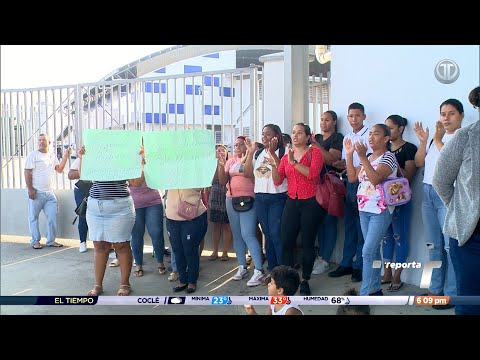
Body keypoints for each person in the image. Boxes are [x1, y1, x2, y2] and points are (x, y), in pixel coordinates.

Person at [432, 87, 480, 315]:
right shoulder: (466, 137)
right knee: (470, 301)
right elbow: (441, 181)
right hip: (471, 236)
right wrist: (464, 210)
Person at [414, 99, 463, 309]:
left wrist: (437, 138)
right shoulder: (436, 138)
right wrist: (426, 141)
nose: (446, 117)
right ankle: (435, 289)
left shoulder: (464, 137)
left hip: (448, 196)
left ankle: (451, 293)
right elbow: (418, 163)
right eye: (443, 113)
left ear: (461, 115)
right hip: (427, 193)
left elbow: (453, 163)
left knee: (449, 247)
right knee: (433, 246)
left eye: (451, 113)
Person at [270, 123, 325, 296]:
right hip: (291, 201)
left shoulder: (314, 152)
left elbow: (313, 174)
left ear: (308, 137)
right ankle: (287, 280)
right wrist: (273, 162)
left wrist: (294, 163)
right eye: (293, 132)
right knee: (286, 241)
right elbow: (278, 181)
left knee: (307, 243)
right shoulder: (286, 157)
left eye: (300, 133)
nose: (295, 136)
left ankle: (305, 280)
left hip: (310, 202)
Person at [84, 145, 145, 296]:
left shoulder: (124, 159)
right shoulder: (97, 158)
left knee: (122, 245)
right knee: (99, 246)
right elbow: (83, 176)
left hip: (120, 207)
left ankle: (125, 284)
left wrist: (139, 160)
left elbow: (136, 182)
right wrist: (83, 157)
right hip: (96, 206)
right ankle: (98, 285)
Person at [345, 124, 397, 296]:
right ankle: (374, 289)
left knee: (367, 251)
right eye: (371, 134)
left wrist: (362, 158)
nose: (371, 137)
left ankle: (365, 293)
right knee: (372, 251)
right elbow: (352, 178)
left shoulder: (388, 157)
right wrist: (349, 154)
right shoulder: (367, 156)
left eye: (376, 134)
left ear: (386, 138)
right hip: (364, 209)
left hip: (380, 210)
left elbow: (375, 179)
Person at [329, 103, 371, 282]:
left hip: (363, 184)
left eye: (357, 116)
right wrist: (343, 166)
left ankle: (359, 266)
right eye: (351, 116)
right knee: (349, 225)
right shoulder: (347, 136)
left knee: (362, 226)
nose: (354, 119)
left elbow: (369, 161)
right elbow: (348, 163)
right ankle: (346, 263)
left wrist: (353, 168)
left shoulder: (369, 135)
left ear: (364, 117)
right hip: (348, 183)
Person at [217, 136, 266, 287]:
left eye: (240, 144)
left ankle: (259, 270)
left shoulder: (256, 158)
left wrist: (249, 155)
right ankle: (242, 266)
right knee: (237, 235)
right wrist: (220, 165)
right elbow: (222, 181)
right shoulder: (231, 160)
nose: (237, 147)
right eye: (235, 145)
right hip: (231, 199)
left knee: (248, 234)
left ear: (247, 146)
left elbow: (249, 174)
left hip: (249, 199)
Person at [243, 124, 288, 283]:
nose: (264, 137)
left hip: (277, 197)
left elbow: (280, 177)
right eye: (263, 134)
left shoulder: (284, 152)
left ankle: (282, 272)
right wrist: (249, 152)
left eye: (268, 134)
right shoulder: (258, 153)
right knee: (267, 235)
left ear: (277, 136)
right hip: (261, 198)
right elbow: (249, 174)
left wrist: (273, 156)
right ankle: (273, 271)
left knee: (276, 235)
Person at [381, 115, 417, 291]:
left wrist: (393, 162)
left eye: (391, 128)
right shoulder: (384, 149)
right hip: (382, 201)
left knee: (399, 236)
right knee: (386, 237)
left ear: (401, 128)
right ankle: (386, 273)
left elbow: (409, 176)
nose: (388, 132)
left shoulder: (409, 148)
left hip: (400, 201)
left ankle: (398, 275)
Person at [310, 110, 344, 274]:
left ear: (334, 122)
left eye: (327, 120)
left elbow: (331, 159)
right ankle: (319, 256)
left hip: (329, 185)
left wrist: (315, 145)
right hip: (314, 185)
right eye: (322, 119)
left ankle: (325, 258)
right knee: (318, 223)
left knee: (329, 222)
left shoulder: (337, 138)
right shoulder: (317, 137)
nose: (323, 123)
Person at [24, 133, 71, 249]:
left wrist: (65, 157)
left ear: (49, 142)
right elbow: (27, 172)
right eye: (39, 140)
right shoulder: (33, 156)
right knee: (33, 217)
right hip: (36, 192)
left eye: (43, 140)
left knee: (52, 217)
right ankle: (35, 241)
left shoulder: (52, 155)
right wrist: (30, 189)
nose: (41, 142)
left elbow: (59, 170)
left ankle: (51, 240)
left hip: (49, 193)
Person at [165, 188, 208, 294]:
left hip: (193, 213)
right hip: (172, 215)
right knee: (177, 249)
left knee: (190, 249)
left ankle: (192, 281)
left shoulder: (194, 172)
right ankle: (183, 280)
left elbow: (201, 187)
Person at [129, 179, 167, 277]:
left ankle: (160, 262)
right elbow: (132, 183)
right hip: (133, 203)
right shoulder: (128, 164)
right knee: (136, 234)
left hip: (153, 201)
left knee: (157, 233)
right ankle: (138, 265)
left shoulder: (151, 163)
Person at [206, 144, 232, 262]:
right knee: (216, 226)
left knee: (227, 226)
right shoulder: (210, 165)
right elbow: (208, 184)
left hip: (227, 196)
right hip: (215, 198)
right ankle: (215, 251)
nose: (220, 152)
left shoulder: (231, 163)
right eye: (218, 150)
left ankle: (225, 252)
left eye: (223, 150)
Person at [68, 148, 91, 253]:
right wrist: (83, 170)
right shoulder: (79, 159)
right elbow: (70, 175)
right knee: (83, 215)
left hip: (97, 190)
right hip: (82, 191)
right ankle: (82, 242)